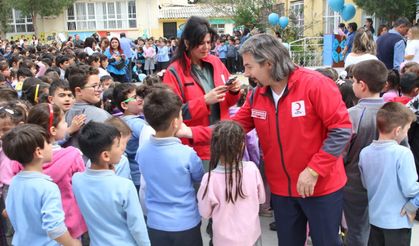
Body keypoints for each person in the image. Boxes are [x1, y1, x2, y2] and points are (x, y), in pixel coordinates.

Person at [179, 33, 352, 245]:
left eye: (249, 66)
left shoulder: (316, 85)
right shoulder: (256, 95)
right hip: (282, 191)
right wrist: (190, 133)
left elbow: (341, 129)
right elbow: (231, 129)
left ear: (269, 63)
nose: (246, 73)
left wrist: (314, 170)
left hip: (321, 187)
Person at [162, 16, 240, 164]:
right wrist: (204, 101)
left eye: (208, 42)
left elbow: (227, 102)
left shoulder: (216, 62)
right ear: (187, 43)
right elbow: (172, 113)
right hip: (197, 148)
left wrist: (234, 91)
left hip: (224, 141)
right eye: (200, 43)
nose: (206, 47)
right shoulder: (174, 72)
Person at [136, 89, 204, 246]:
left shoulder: (142, 151)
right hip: (186, 223)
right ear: (175, 122)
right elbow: (199, 177)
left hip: (155, 223)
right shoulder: (187, 154)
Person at [2, 124, 81, 245]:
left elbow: (8, 212)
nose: (52, 146)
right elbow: (54, 228)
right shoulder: (48, 187)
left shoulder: (15, 181)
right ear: (38, 152)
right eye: (49, 143)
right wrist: (72, 243)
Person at [73, 121, 150, 245]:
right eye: (118, 145)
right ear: (105, 155)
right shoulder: (125, 186)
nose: (122, 149)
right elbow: (137, 227)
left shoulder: (77, 180)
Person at [359, 102, 419, 246]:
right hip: (398, 221)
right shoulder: (403, 153)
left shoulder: (365, 152)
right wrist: (413, 204)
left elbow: (365, 184)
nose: (407, 133)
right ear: (398, 130)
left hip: (375, 218)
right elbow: (411, 188)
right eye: (407, 129)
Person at [343, 59, 388, 246]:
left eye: (353, 81)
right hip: (385, 183)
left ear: (361, 85)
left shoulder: (352, 114)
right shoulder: (393, 112)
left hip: (355, 182)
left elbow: (341, 151)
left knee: (356, 229)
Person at [197, 121, 265, 246]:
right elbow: (261, 199)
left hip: (223, 240)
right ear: (241, 145)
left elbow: (205, 212)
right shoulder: (252, 168)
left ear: (214, 147)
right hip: (251, 236)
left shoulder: (209, 179)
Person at [27, 103, 87, 239]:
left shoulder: (23, 158)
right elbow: (82, 188)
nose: (67, 125)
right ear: (53, 130)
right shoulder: (73, 155)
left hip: (35, 227)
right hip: (68, 226)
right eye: (64, 122)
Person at [64, 65, 111, 149]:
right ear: (78, 91)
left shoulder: (66, 113)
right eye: (94, 86)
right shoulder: (100, 115)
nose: (100, 89)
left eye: (100, 85)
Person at [113, 83, 146, 189]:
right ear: (124, 105)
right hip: (140, 175)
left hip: (132, 175)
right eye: (135, 97)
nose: (140, 99)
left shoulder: (120, 120)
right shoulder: (137, 124)